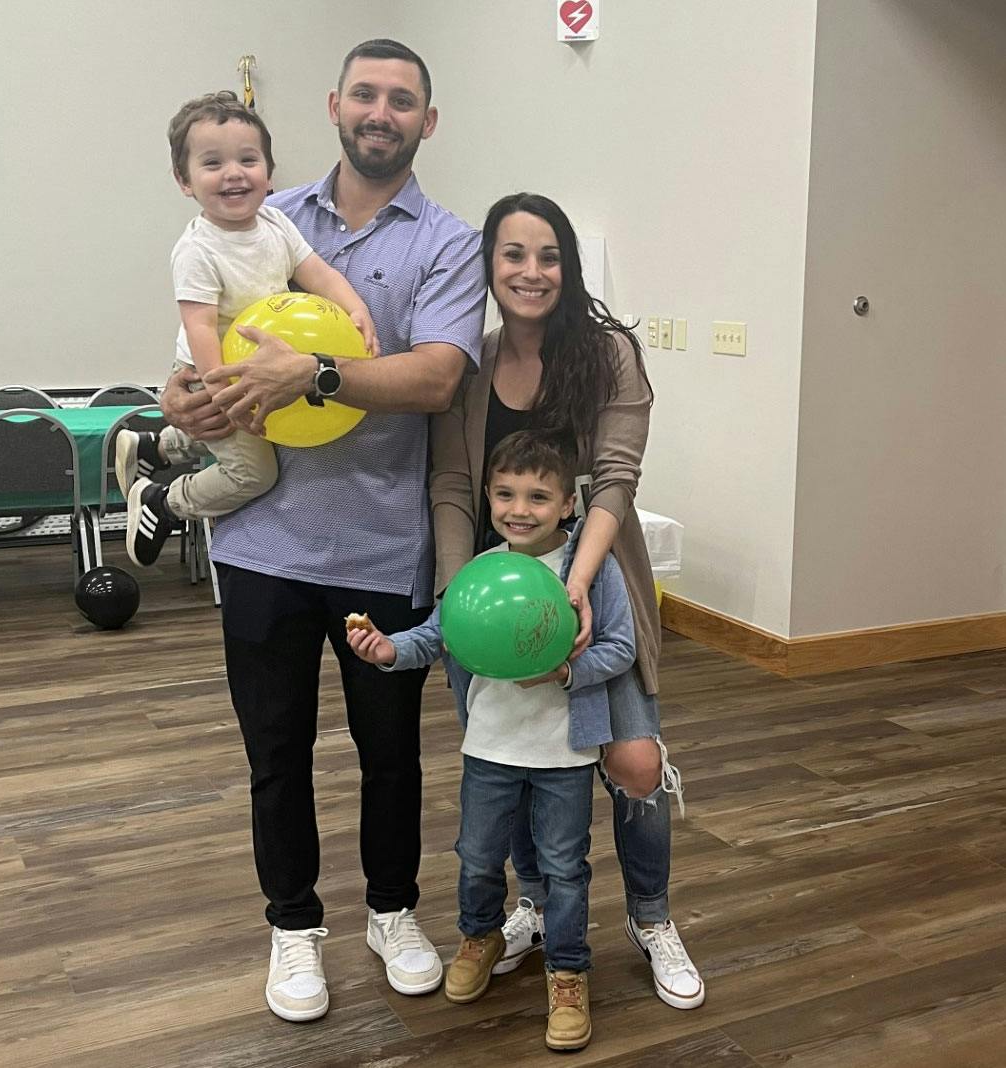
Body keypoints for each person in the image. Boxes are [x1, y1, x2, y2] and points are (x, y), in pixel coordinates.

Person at [157, 40, 486, 1023]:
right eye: (367, 95)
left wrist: (321, 377)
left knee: (390, 753)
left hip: (385, 546)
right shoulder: (254, 214)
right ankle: (294, 926)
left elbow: (435, 377)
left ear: (428, 121)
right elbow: (187, 354)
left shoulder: (449, 242)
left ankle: (392, 910)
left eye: (405, 100)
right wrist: (180, 399)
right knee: (277, 749)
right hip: (264, 542)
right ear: (336, 105)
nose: (382, 112)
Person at [430, 193, 706, 1010]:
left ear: (569, 266)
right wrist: (455, 601)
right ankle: (533, 907)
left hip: (595, 586)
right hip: (492, 605)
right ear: (489, 265)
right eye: (512, 254)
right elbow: (451, 486)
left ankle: (652, 919)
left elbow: (616, 480)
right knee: (511, 759)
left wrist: (575, 584)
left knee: (636, 765)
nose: (530, 271)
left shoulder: (610, 352)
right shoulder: (469, 364)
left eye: (548, 255)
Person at [350, 430, 634, 1052]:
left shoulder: (590, 570)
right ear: (487, 497)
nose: (519, 509)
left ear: (567, 504)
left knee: (564, 868)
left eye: (538, 496)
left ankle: (567, 970)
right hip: (490, 751)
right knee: (477, 857)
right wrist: (389, 650)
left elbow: (620, 648)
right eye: (505, 493)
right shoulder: (478, 571)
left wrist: (565, 670)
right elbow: (435, 635)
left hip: (564, 755)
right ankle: (481, 936)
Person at [116, 90, 378, 570]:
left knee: (237, 436)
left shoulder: (277, 223)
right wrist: (224, 391)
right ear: (184, 180)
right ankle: (164, 500)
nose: (234, 172)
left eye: (247, 159)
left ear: (268, 171)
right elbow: (198, 325)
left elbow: (317, 271)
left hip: (258, 365)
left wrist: (355, 308)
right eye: (212, 163)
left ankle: (158, 445)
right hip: (211, 370)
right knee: (254, 473)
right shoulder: (197, 249)